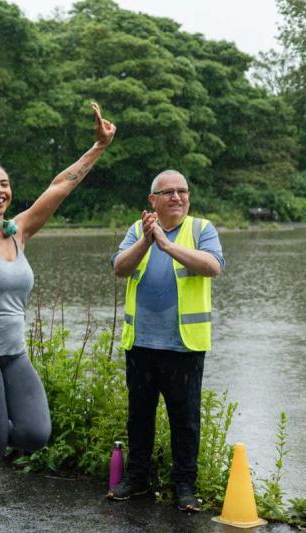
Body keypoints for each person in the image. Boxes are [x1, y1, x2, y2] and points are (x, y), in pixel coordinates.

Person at [0, 87, 116, 533]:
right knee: (0, 440)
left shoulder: (18, 231)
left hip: (12, 351)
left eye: (4, 183)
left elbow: (60, 186)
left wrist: (98, 146)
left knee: (36, 434)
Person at [107, 170, 224, 512]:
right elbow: (119, 267)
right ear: (152, 200)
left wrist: (168, 245)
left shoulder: (202, 229)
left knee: (185, 419)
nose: (176, 197)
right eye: (168, 192)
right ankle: (137, 478)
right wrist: (147, 239)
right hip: (141, 344)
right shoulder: (136, 229)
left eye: (182, 191)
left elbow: (213, 267)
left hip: (183, 346)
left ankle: (185, 485)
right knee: (139, 416)